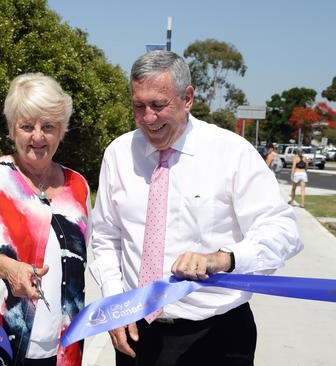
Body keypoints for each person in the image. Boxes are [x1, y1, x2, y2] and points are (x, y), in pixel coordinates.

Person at [89, 51, 302, 366]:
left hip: (216, 336)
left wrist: (223, 258)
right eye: (138, 106)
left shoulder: (231, 153)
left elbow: (284, 232)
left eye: (159, 106)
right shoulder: (119, 154)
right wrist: (114, 302)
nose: (148, 118)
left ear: (187, 98)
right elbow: (107, 237)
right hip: (138, 334)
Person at [0, 73, 90, 366]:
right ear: (13, 130)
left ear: (61, 131)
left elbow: (94, 254)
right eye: (27, 126)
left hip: (59, 348)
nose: (37, 136)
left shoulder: (79, 186)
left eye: (48, 127)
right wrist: (7, 267)